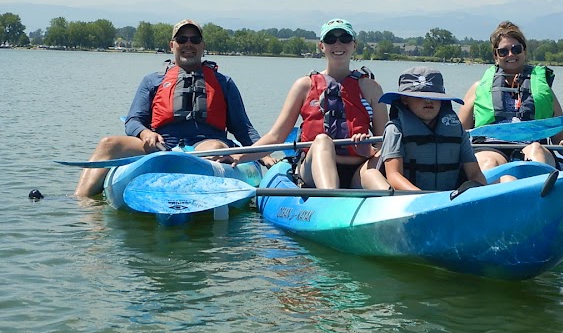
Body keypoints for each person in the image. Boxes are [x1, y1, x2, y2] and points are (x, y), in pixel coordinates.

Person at [74, 19, 260, 197]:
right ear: (172, 45)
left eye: (194, 40)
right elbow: (133, 121)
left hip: (205, 145)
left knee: (215, 147)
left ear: (203, 46)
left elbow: (243, 128)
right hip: (162, 146)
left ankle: (193, 196)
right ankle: (81, 202)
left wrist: (264, 155)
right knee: (108, 143)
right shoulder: (152, 81)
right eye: (182, 39)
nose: (188, 44)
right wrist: (145, 133)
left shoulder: (224, 83)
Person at [233, 18, 388, 189]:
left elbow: (385, 143)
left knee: (373, 174)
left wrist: (370, 151)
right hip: (313, 167)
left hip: (359, 167)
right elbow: (276, 137)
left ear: (354, 45)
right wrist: (240, 156)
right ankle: (330, 198)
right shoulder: (304, 86)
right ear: (322, 46)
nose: (338, 44)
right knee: (322, 140)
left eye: (345, 39)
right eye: (330, 39)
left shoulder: (371, 88)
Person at [458, 20, 563, 174]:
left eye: (516, 49)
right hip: (491, 146)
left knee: (536, 152)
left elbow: (560, 140)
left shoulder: (544, 90)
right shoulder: (478, 88)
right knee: (489, 162)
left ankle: (536, 190)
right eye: (503, 51)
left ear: (524, 51)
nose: (510, 54)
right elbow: (458, 134)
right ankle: (492, 190)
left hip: (532, 144)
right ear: (496, 56)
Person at [372, 66, 486, 191]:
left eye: (434, 97)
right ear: (405, 100)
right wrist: (422, 197)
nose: (428, 101)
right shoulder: (395, 129)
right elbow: (394, 175)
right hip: (411, 199)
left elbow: (474, 172)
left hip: (450, 198)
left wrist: (481, 191)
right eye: (420, 96)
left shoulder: (456, 129)